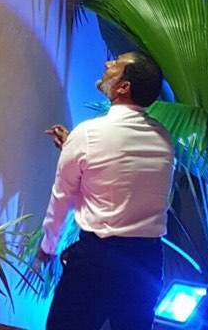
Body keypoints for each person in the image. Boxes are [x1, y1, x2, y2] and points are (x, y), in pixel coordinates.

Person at [38, 52, 174, 330]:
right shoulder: (163, 137)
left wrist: (48, 246)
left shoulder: (88, 134)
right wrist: (73, 146)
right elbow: (127, 175)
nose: (107, 64)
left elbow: (62, 197)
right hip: (146, 262)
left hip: (97, 260)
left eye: (116, 64)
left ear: (124, 87)